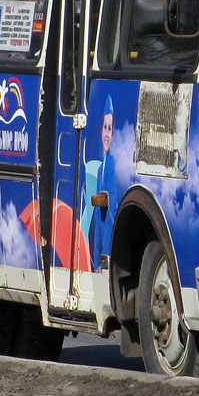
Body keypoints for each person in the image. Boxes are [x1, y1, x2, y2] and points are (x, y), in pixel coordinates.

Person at [81, 96, 116, 271]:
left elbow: (109, 217)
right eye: (105, 127)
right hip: (98, 243)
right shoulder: (101, 167)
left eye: (110, 128)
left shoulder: (110, 165)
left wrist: (103, 257)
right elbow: (97, 217)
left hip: (106, 241)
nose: (107, 133)